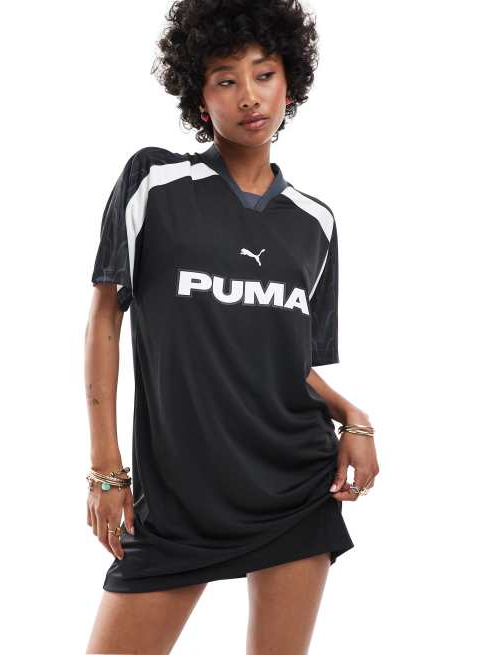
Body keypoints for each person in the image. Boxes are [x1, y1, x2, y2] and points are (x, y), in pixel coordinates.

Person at [85, 1, 380, 653]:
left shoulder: (315, 223)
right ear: (200, 97)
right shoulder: (154, 182)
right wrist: (106, 468)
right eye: (225, 79)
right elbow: (105, 318)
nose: (249, 95)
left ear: (289, 84)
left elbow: (284, 360)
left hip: (293, 489)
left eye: (264, 73)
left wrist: (353, 416)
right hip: (178, 499)